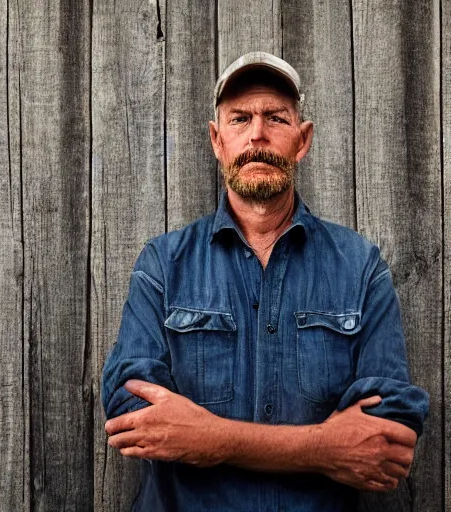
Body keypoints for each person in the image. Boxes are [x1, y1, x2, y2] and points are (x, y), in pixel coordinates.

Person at [101, 52, 430, 512]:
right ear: (217, 141)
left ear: (303, 140)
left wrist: (212, 438)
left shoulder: (359, 266)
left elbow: (387, 438)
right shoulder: (164, 264)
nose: (257, 133)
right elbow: (129, 413)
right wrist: (324, 446)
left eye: (276, 118)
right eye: (240, 119)